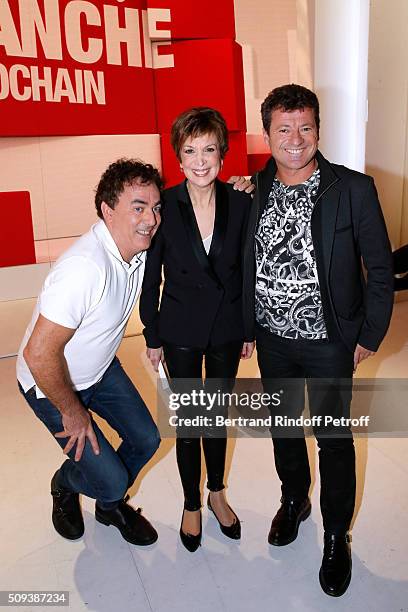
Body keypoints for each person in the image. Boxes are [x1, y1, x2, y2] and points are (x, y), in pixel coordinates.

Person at [242, 84, 394, 596]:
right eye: (283, 128)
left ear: (318, 130)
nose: (295, 139)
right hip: (274, 340)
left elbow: (379, 265)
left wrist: (370, 333)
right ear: (267, 134)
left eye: (305, 127)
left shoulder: (352, 188)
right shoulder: (255, 188)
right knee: (285, 428)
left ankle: (336, 537)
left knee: (332, 438)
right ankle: (294, 500)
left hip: (330, 342)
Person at [17, 159, 163, 546]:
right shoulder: (85, 268)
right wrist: (72, 410)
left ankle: (107, 503)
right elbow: (39, 354)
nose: (150, 218)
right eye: (138, 207)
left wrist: (242, 188)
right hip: (51, 383)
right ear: (107, 209)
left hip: (99, 370)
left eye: (155, 207)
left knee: (146, 439)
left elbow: (195, 210)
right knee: (112, 475)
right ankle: (66, 483)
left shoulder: (137, 247)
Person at [140, 107, 254, 552]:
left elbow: (248, 271)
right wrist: (151, 333)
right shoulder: (165, 205)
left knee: (217, 417)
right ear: (178, 158)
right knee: (189, 420)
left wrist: (248, 327)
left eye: (209, 149)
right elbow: (152, 277)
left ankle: (217, 492)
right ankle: (191, 502)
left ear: (223, 155)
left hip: (227, 326)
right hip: (180, 328)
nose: (201, 159)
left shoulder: (242, 202)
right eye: (191, 150)